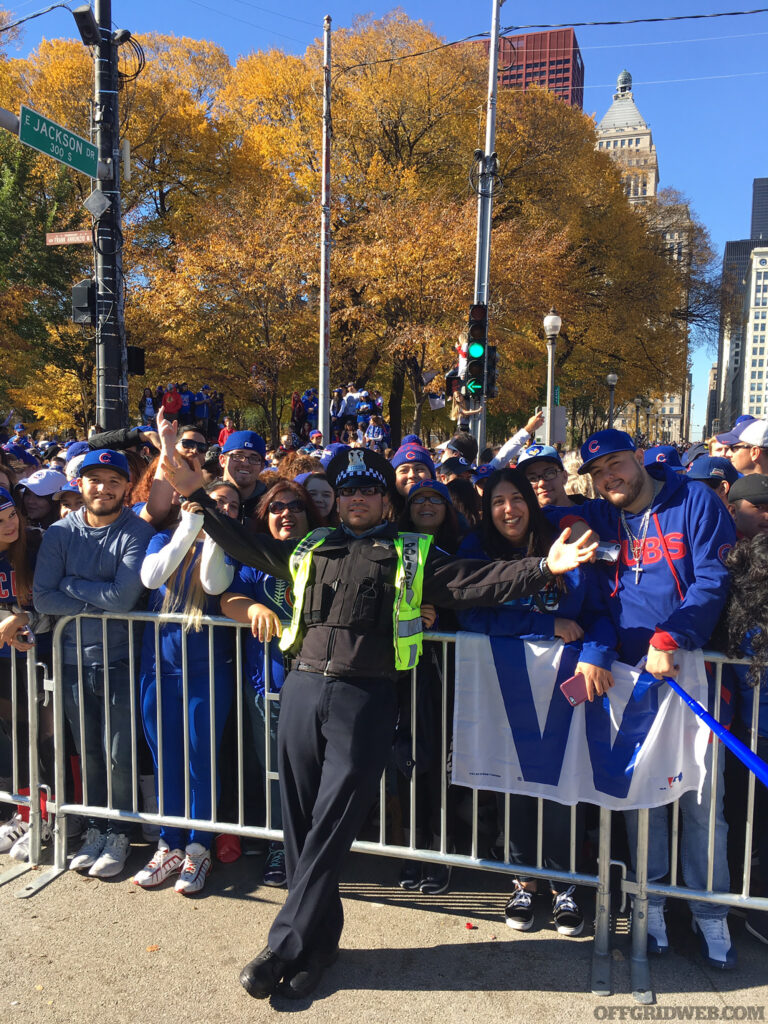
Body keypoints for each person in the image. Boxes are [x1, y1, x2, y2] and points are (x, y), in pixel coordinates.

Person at [160, 433, 598, 1000]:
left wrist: (542, 567)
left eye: (368, 490)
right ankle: (319, 946)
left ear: (385, 500)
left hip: (364, 701)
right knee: (298, 824)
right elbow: (245, 545)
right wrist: (195, 492)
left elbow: (474, 582)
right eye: (348, 492)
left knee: (332, 825)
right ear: (338, 500)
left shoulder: (412, 551)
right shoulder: (311, 542)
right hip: (299, 691)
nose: (357, 500)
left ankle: (283, 945)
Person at [565, 428, 737, 968]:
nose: (608, 476)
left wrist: (672, 636)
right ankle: (651, 904)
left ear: (638, 458)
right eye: (597, 471)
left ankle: (711, 913)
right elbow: (594, 595)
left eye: (615, 463)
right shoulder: (600, 518)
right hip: (627, 678)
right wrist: (595, 646)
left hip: (690, 671)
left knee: (702, 800)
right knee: (645, 801)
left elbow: (712, 579)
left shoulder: (695, 501)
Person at [457, 468, 615, 936]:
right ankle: (524, 880)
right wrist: (543, 627)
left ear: (531, 501)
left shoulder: (563, 541)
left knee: (566, 785)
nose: (510, 509)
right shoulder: (477, 550)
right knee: (516, 785)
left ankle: (565, 885)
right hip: (503, 687)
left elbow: (599, 614)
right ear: (487, 509)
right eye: (499, 501)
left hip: (566, 689)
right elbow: (468, 615)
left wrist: (596, 653)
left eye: (517, 498)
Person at [33, 450, 156, 879]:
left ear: (126, 487)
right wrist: (90, 593)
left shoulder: (136, 532)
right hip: (69, 659)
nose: (103, 488)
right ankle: (98, 827)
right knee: (87, 751)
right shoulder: (59, 533)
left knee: (119, 753)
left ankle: (120, 830)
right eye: (93, 480)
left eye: (112, 481)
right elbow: (44, 597)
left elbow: (124, 599)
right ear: (79, 485)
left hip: (118, 658)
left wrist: (71, 584)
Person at [133, 480, 240, 895]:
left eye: (231, 506)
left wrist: (212, 531)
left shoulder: (229, 548)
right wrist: (191, 525)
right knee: (166, 760)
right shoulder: (163, 537)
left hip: (205, 671)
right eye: (217, 502)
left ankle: (199, 846)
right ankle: (169, 843)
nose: (224, 508)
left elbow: (213, 585)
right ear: (192, 504)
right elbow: (152, 575)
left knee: (201, 761)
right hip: (157, 670)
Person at [220, 480, 324, 889]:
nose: (286, 513)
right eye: (277, 507)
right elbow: (229, 600)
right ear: (266, 515)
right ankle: (284, 846)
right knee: (276, 772)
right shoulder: (254, 556)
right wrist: (255, 606)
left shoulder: (327, 550)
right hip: (269, 683)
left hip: (320, 682)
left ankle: (316, 849)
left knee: (319, 771)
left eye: (295, 506)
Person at [0, 487, 52, 860]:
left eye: (11, 515)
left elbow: (58, 602)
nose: (8, 525)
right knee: (17, 737)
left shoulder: (38, 544)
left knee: (48, 739)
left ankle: (52, 815)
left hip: (45, 657)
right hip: (6, 663)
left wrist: (23, 617)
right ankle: (24, 811)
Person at [723, 534, 768, 945]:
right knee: (747, 823)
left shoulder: (739, 617)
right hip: (750, 737)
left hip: (749, 733)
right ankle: (750, 903)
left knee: (747, 823)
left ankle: (747, 900)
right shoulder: (747, 624)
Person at [517, 444, 584, 509]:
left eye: (549, 474)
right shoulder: (524, 519)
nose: (542, 483)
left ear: (564, 476)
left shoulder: (591, 512)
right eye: (532, 478)